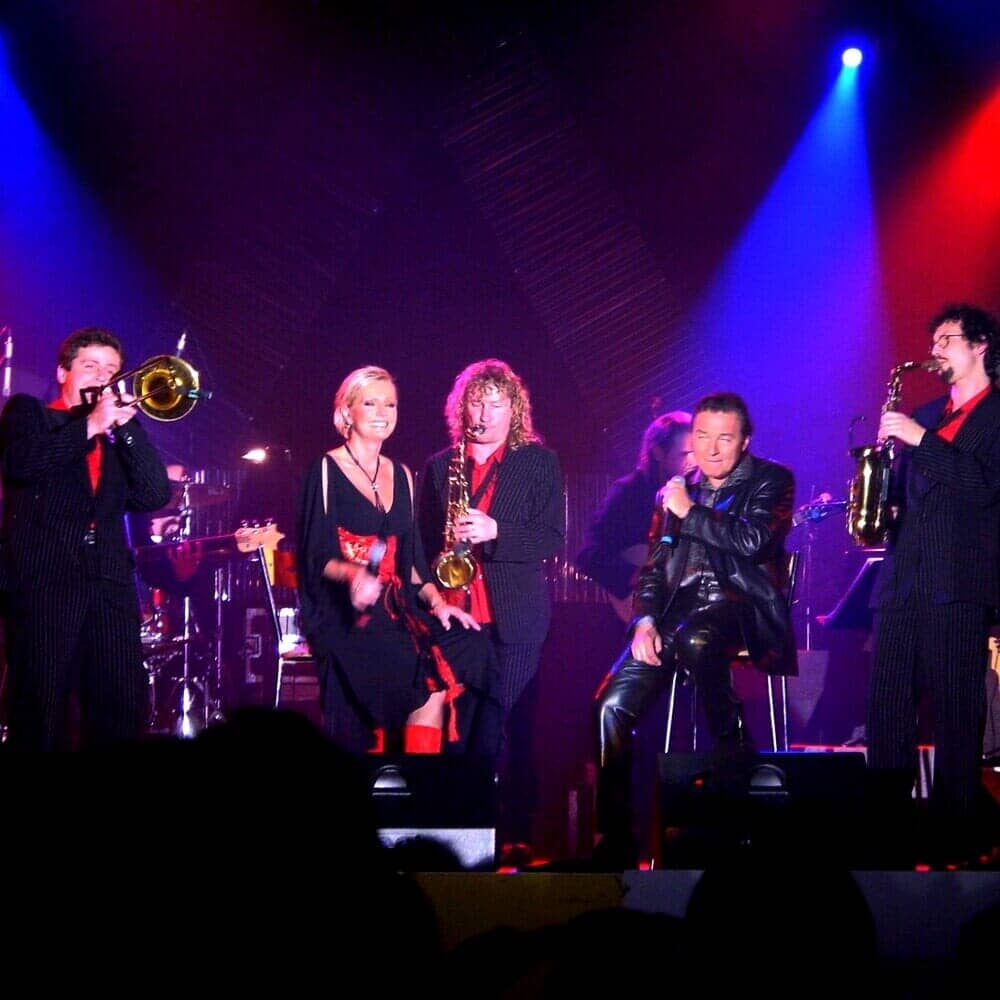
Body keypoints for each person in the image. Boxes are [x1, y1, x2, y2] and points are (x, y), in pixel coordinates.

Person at [592, 391, 797, 867]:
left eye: (724, 438)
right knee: (609, 707)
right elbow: (653, 567)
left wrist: (691, 511)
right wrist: (643, 620)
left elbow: (752, 541)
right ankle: (616, 838)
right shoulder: (677, 490)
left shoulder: (771, 480)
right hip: (675, 614)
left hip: (740, 606)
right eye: (702, 436)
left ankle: (733, 745)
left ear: (745, 441)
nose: (711, 448)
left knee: (697, 637)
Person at [295, 364, 501, 756]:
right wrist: (354, 575)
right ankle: (398, 779)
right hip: (346, 614)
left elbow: (412, 562)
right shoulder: (324, 470)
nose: (382, 413)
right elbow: (316, 556)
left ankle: (430, 783)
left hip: (399, 608)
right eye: (369, 403)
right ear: (346, 412)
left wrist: (439, 603)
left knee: (474, 648)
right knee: (423, 680)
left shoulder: (403, 474)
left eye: (390, 405)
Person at [868, 302, 1000, 865]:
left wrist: (921, 441)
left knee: (956, 712)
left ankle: (957, 840)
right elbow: (909, 496)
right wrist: (879, 497)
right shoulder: (926, 411)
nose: (935, 349)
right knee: (887, 709)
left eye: (947, 339)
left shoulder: (994, 414)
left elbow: (985, 485)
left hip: (958, 583)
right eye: (934, 340)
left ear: (980, 344)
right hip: (903, 581)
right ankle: (886, 838)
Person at [418, 358, 564, 864]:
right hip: (457, 613)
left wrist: (496, 531)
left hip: (516, 617)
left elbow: (551, 538)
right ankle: (466, 835)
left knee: (499, 724)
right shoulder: (440, 465)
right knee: (464, 728)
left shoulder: (538, 462)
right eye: (476, 403)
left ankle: (509, 831)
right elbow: (422, 544)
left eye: (496, 405)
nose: (484, 414)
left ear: (514, 409)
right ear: (462, 408)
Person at [0, 326, 172, 750]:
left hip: (109, 584)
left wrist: (128, 429)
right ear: (63, 372)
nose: (102, 377)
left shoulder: (117, 438)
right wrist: (90, 425)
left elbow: (154, 494)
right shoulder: (31, 414)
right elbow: (21, 465)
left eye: (111, 370)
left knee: (119, 708)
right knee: (41, 709)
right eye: (90, 366)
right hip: (45, 583)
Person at [576, 410, 695, 624]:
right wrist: (635, 575)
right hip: (642, 611)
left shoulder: (698, 494)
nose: (693, 462)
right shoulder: (628, 493)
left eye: (696, 453)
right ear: (658, 452)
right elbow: (588, 555)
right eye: (684, 454)